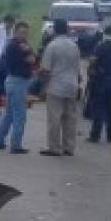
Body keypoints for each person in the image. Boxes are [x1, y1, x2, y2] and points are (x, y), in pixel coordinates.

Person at [38, 19, 82, 156]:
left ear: (55, 30)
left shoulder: (52, 46)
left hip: (56, 85)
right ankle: (69, 147)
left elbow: (45, 69)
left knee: (55, 118)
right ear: (67, 30)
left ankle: (55, 148)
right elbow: (77, 68)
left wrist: (43, 87)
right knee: (70, 118)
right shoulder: (74, 46)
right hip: (72, 85)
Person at [0, 21, 35, 154]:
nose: (24, 35)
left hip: (13, 81)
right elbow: (32, 60)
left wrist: (30, 55)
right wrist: (29, 54)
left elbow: (33, 58)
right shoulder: (16, 46)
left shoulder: (16, 45)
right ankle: (16, 145)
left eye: (26, 33)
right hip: (17, 82)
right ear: (15, 32)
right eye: (21, 32)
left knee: (9, 113)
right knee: (19, 114)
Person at [87, 22, 111, 144]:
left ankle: (95, 135)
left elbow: (93, 61)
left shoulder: (101, 46)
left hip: (101, 79)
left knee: (99, 108)